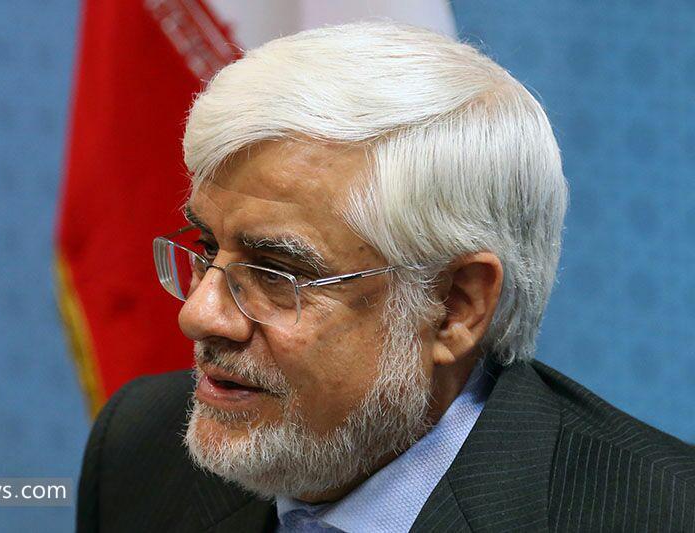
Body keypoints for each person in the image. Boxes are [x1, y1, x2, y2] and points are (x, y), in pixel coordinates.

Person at [76, 22, 695, 532]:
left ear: (453, 307)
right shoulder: (141, 446)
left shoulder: (660, 514)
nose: (198, 313)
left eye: (276, 272)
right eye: (208, 247)